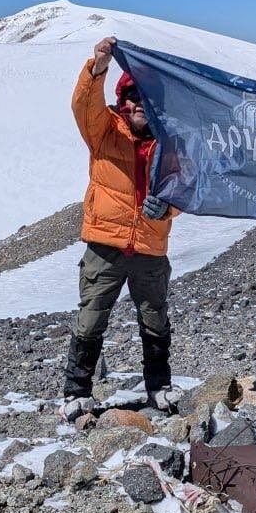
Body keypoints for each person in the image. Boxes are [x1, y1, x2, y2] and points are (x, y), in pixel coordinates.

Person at [63, 36, 176, 408]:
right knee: (91, 318)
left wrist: (168, 209)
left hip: (150, 246)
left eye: (146, 98)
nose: (138, 103)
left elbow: (184, 189)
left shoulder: (169, 144)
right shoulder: (105, 130)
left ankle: (159, 387)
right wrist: (98, 68)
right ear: (122, 100)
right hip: (105, 245)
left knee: (155, 320)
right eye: (131, 96)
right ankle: (76, 393)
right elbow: (84, 106)